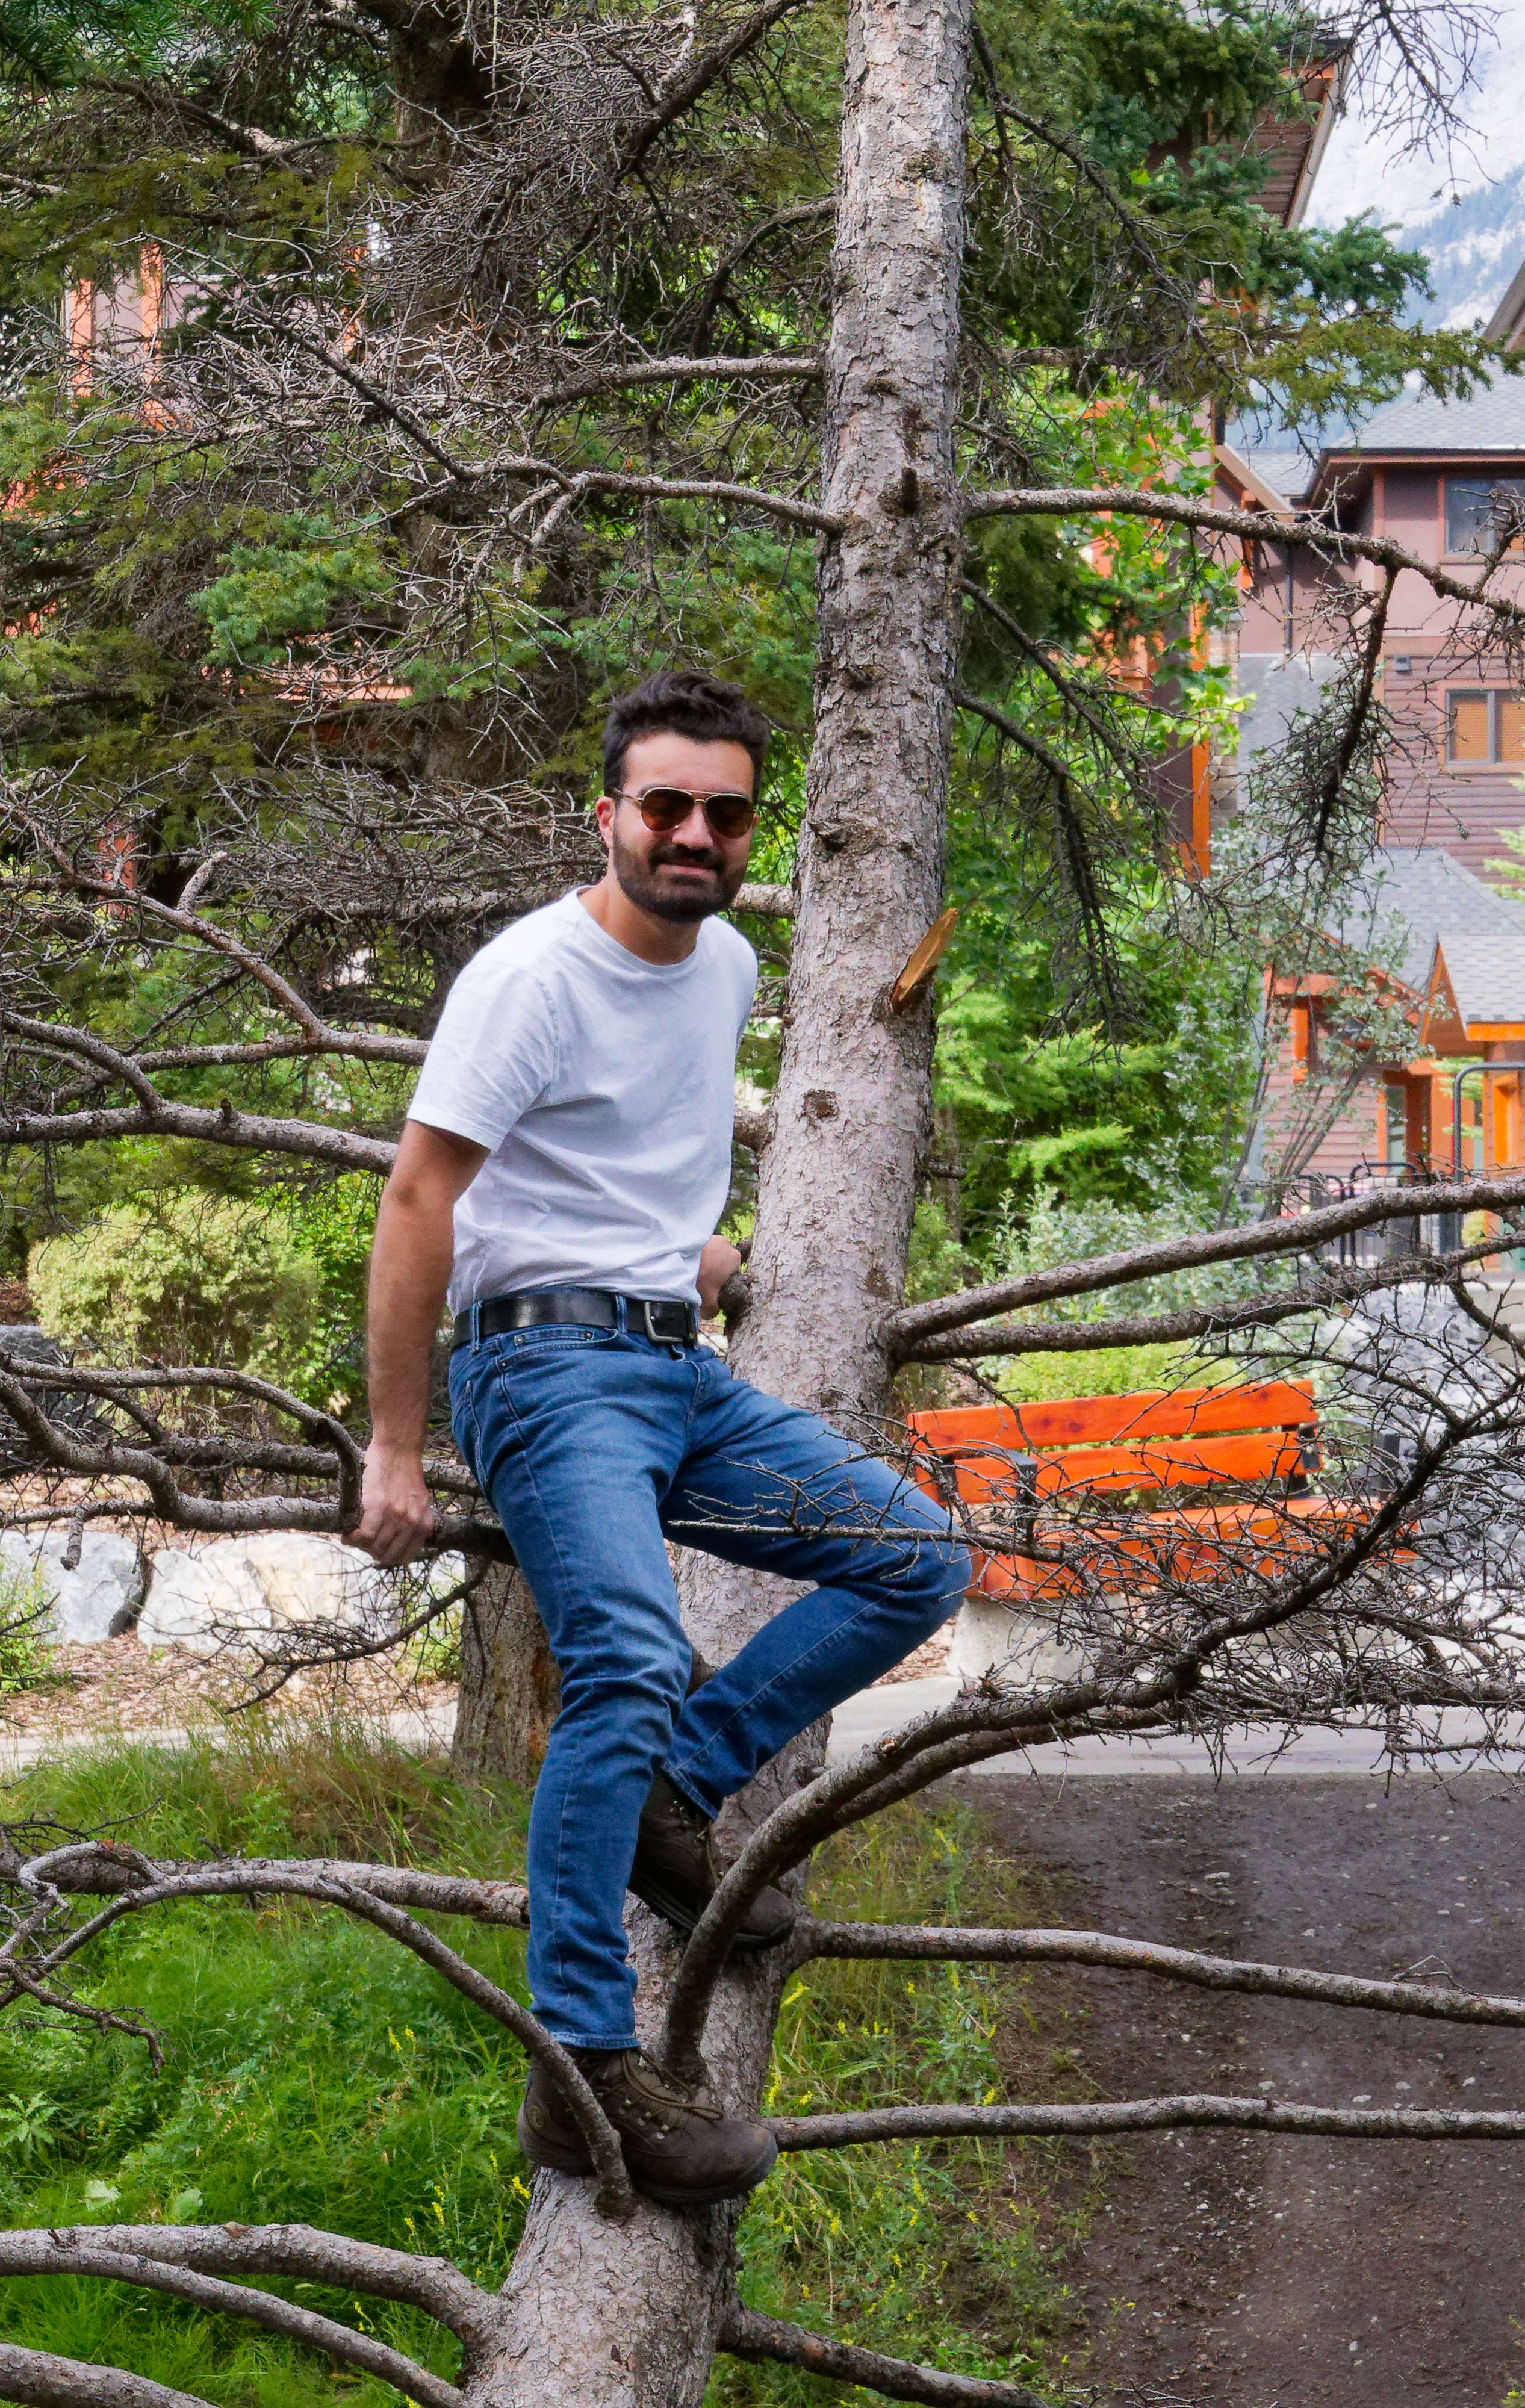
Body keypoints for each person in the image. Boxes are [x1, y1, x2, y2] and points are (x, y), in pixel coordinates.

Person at [351, 668, 971, 2208]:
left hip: (672, 1364)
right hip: (544, 1375)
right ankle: (581, 2071)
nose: (695, 831)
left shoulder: (728, 967)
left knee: (920, 1556)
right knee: (624, 1651)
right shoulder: (528, 977)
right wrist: (394, 1448)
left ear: (751, 827)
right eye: (666, 805)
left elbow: (634, 1154)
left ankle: (666, 1789)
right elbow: (421, 1195)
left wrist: (684, 1242)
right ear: (609, 816)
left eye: (726, 809)